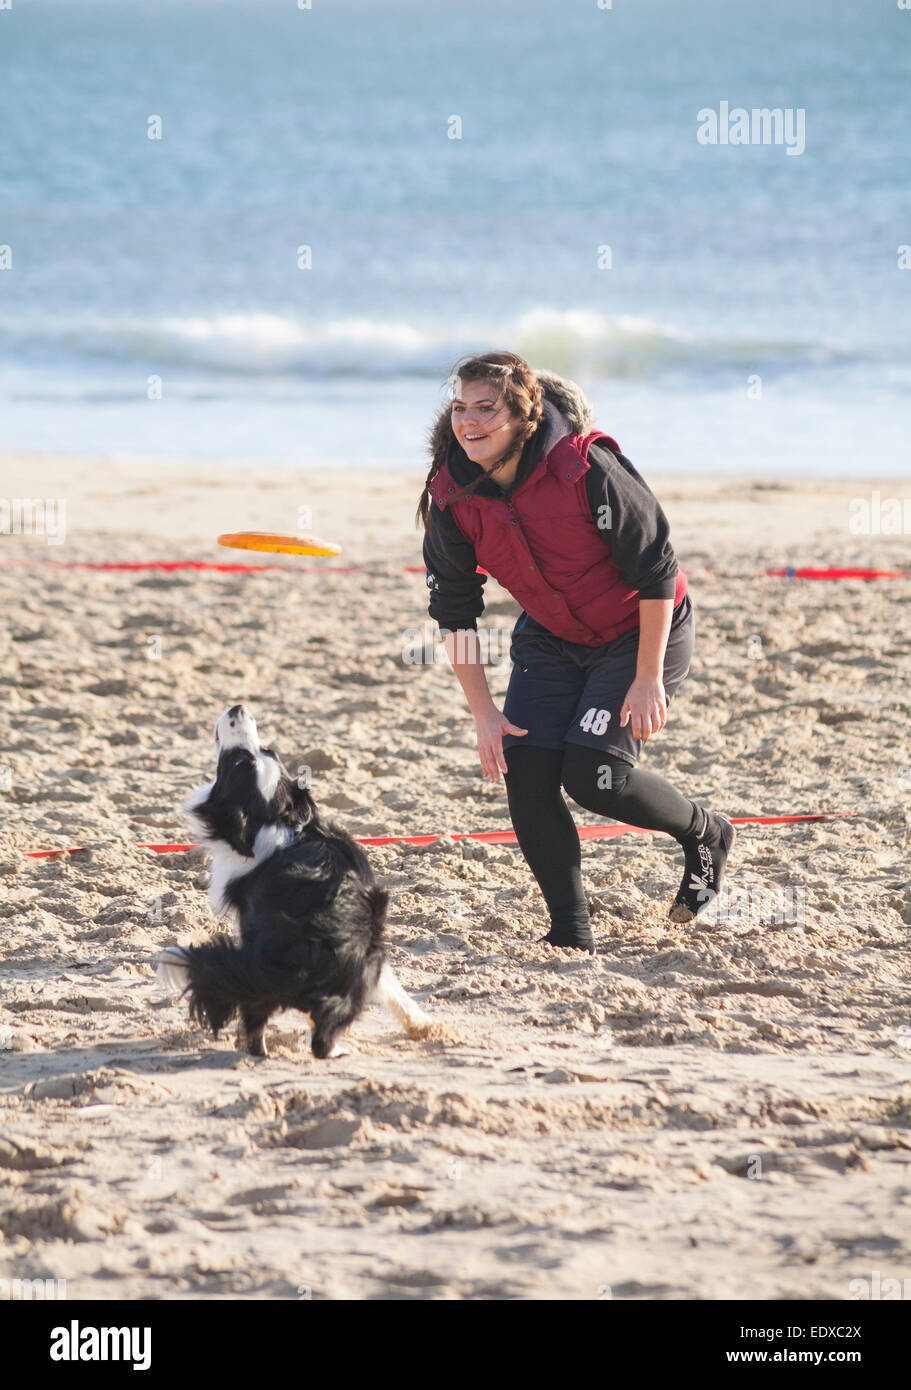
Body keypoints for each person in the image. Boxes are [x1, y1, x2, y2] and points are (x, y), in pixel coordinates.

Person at [417, 350, 734, 954]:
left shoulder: (587, 468)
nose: (469, 421)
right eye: (460, 407)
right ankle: (570, 929)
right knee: (526, 767)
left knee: (596, 775)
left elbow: (657, 569)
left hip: (642, 627)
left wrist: (646, 677)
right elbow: (455, 611)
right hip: (553, 636)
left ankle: (705, 833)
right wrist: (484, 713)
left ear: (523, 417)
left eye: (487, 408)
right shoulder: (452, 493)